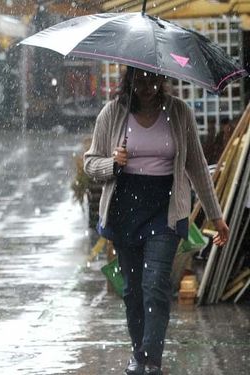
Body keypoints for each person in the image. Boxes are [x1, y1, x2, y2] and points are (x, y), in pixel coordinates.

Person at [84, 67, 230, 375]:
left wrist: (216, 217)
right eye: (141, 79)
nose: (148, 86)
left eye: (154, 79)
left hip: (166, 211)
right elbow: (90, 163)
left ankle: (150, 360)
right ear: (130, 80)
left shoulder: (179, 113)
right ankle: (139, 355)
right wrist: (113, 162)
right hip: (125, 211)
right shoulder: (112, 114)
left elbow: (198, 168)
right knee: (133, 290)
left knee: (155, 285)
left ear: (163, 79)